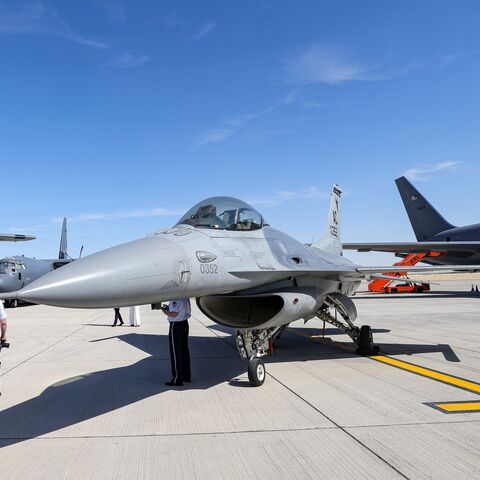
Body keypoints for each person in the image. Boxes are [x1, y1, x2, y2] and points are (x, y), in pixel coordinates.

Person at [162, 298, 191, 386]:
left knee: (175, 352)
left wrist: (164, 311)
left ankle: (177, 378)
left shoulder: (176, 299)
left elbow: (174, 314)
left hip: (176, 325)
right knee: (184, 351)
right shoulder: (185, 298)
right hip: (184, 323)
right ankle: (186, 375)